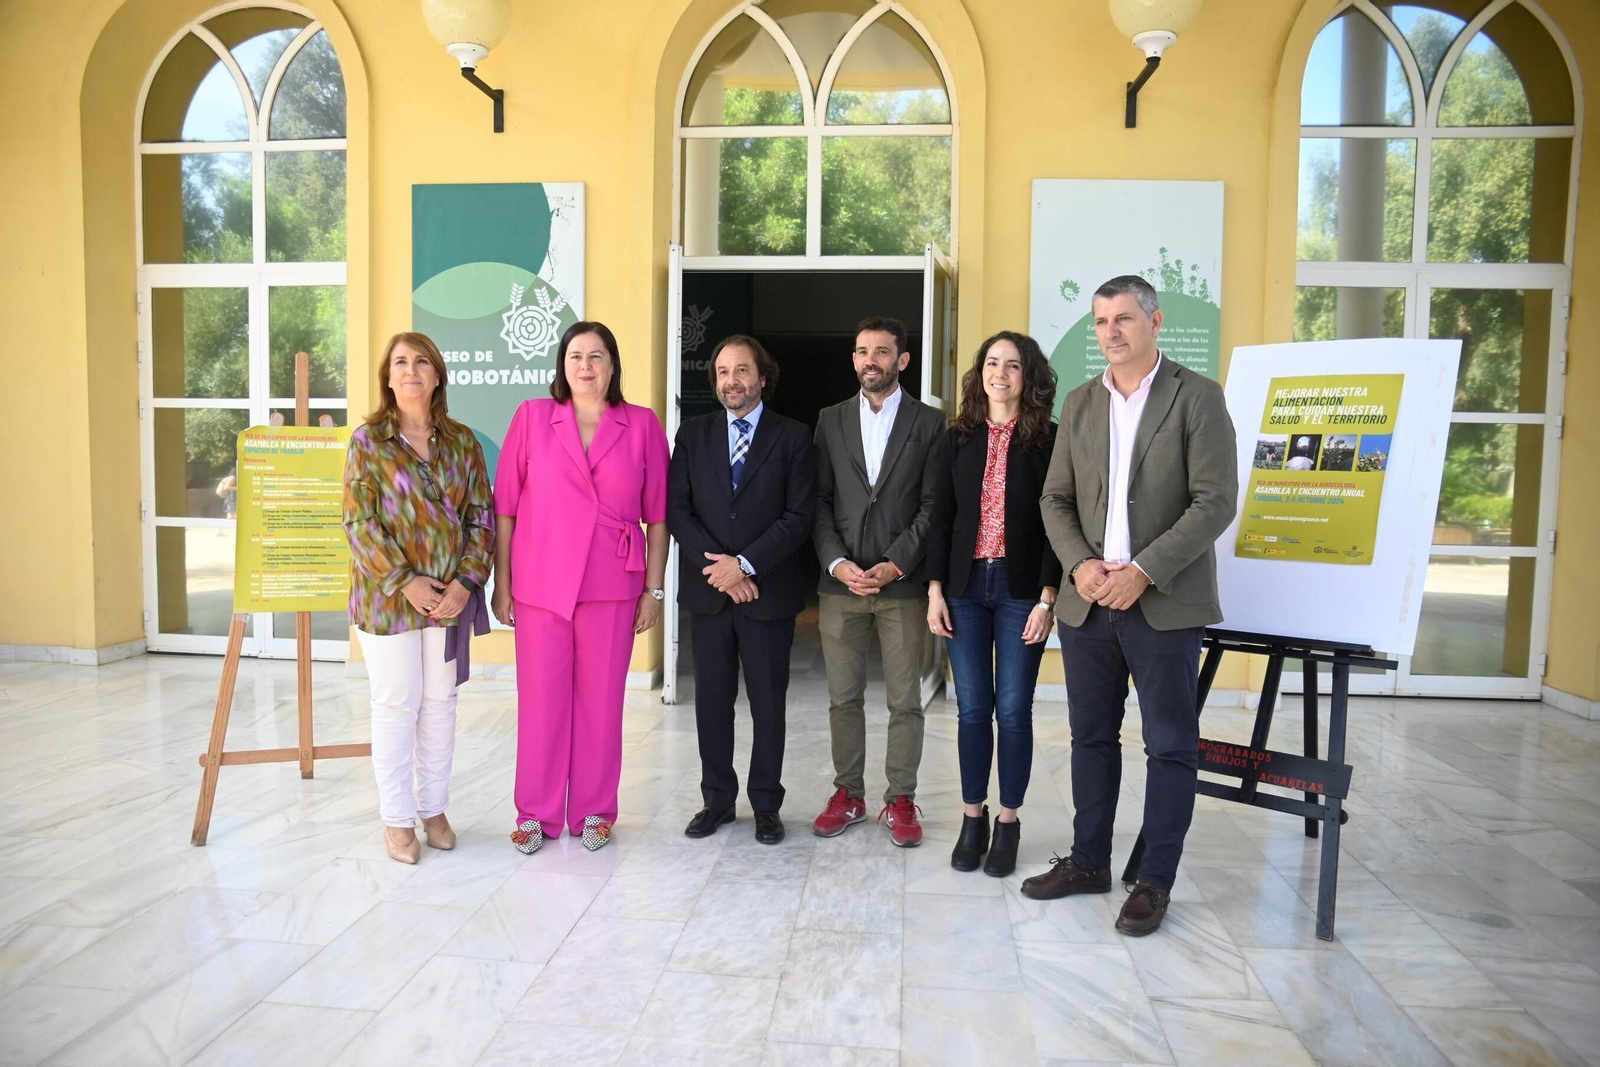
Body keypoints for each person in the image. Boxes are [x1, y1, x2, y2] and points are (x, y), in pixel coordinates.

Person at [1026, 275, 1238, 936]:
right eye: (1100, 321)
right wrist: (1081, 565)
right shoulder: (1082, 402)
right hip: (1089, 604)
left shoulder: (1196, 395)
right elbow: (1054, 499)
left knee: (1170, 744)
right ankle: (1089, 861)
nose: (1110, 331)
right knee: (1090, 737)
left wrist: (1143, 571)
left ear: (1155, 321)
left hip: (1163, 603)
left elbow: (1215, 501)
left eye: (1123, 317)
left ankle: (1155, 880)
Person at [493, 321, 669, 855]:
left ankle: (595, 811)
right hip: (540, 582)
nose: (586, 366)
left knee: (601, 704)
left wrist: (653, 591)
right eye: (576, 356)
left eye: (596, 356)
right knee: (541, 702)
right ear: (562, 365)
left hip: (612, 582)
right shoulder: (532, 417)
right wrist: (503, 585)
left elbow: (658, 517)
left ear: (613, 365)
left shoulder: (641, 424)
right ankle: (535, 814)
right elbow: (505, 509)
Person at [343, 331, 494, 865]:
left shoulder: (463, 442)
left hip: (450, 599)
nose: (411, 370)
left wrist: (465, 584)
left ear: (437, 377)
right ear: (388, 378)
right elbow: (359, 523)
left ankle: (434, 809)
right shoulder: (368, 442)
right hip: (388, 599)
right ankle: (397, 820)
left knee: (440, 703)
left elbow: (482, 518)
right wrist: (407, 581)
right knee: (396, 703)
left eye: (422, 362)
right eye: (401, 362)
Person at [668, 335, 816, 845]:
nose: (731, 380)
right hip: (710, 595)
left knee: (768, 705)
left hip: (767, 595)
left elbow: (799, 516)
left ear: (762, 377)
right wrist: (722, 572)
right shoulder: (693, 434)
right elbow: (678, 510)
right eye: (723, 372)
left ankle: (766, 804)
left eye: (742, 370)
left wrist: (746, 566)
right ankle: (717, 801)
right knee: (712, 703)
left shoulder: (794, 437)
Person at [926, 331, 1061, 877]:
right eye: (991, 363)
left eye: (1012, 365)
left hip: (1021, 590)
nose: (999, 374)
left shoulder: (1048, 440)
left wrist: (1048, 598)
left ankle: (1008, 821)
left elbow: (1059, 523)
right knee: (972, 709)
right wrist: (935, 590)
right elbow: (941, 517)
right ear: (979, 372)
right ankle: (972, 817)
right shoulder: (957, 437)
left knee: (1012, 709)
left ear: (1029, 376)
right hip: (963, 589)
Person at [811, 316, 945, 847]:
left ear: (902, 360)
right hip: (840, 586)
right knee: (842, 699)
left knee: (904, 701)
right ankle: (848, 794)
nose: (872, 360)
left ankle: (900, 799)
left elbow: (934, 506)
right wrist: (835, 562)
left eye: (883, 351)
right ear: (854, 359)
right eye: (863, 351)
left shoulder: (930, 423)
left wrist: (896, 563)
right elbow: (818, 502)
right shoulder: (830, 420)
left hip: (902, 587)